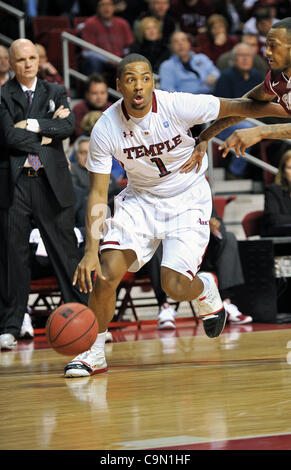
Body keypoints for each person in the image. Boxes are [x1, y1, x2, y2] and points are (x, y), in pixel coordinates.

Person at [63, 53, 285, 377]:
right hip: (140, 200)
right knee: (107, 273)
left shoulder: (178, 104)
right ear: (118, 86)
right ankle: (93, 352)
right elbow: (98, 193)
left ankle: (204, 287)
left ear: (153, 82)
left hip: (186, 198)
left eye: (145, 78)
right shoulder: (105, 128)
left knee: (174, 287)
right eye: (130, 79)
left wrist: (283, 111)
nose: (138, 87)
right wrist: (89, 251)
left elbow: (239, 106)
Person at [0, 39, 88, 350]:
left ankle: (83, 317)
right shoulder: (2, 94)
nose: (27, 64)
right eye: (21, 59)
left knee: (66, 255)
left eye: (32, 58)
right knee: (13, 259)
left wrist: (35, 124)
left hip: (50, 184)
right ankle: (11, 324)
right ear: (11, 63)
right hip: (16, 184)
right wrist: (46, 135)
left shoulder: (54, 90)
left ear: (39, 59)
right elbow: (7, 135)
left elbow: (68, 126)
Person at [184, 17, 291, 176]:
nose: (267, 52)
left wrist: (260, 131)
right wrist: (205, 136)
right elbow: (246, 105)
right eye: (267, 45)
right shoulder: (277, 78)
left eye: (274, 46)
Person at [214, 42, 264, 178]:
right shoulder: (225, 77)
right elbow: (223, 109)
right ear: (234, 59)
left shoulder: (258, 76)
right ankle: (235, 171)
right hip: (227, 123)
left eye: (248, 55)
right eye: (241, 55)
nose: (245, 59)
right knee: (247, 130)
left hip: (255, 120)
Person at [200, 205, 253, 324]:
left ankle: (226, 303)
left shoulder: (202, 192)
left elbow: (217, 222)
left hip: (206, 249)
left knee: (228, 237)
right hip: (180, 249)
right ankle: (224, 305)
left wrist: (215, 230)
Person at [81, 0, 134, 77]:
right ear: (97, 8)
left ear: (114, 7)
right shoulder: (90, 23)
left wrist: (121, 59)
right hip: (100, 60)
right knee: (93, 61)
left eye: (109, 4)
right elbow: (87, 52)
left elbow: (128, 47)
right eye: (103, 5)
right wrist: (107, 59)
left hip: (120, 60)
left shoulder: (123, 23)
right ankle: (96, 87)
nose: (106, 8)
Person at [72, 73, 112, 140]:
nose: (99, 97)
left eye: (102, 93)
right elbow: (78, 134)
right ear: (87, 94)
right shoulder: (78, 109)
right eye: (94, 93)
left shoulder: (112, 109)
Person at [262, 149, 291, 237]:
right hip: (281, 242)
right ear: (283, 172)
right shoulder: (273, 191)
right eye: (290, 168)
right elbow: (275, 219)